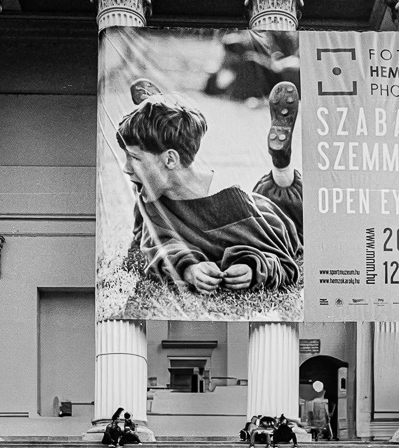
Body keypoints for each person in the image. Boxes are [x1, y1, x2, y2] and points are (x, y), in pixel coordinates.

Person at [118, 79, 303, 295]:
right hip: (171, 181)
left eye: (134, 158)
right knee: (141, 209)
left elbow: (283, 261)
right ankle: (158, 110)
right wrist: (189, 269)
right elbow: (159, 245)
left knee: (287, 199)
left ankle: (282, 168)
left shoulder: (233, 205)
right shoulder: (154, 196)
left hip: (275, 218)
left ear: (170, 159)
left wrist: (252, 268)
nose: (125, 168)